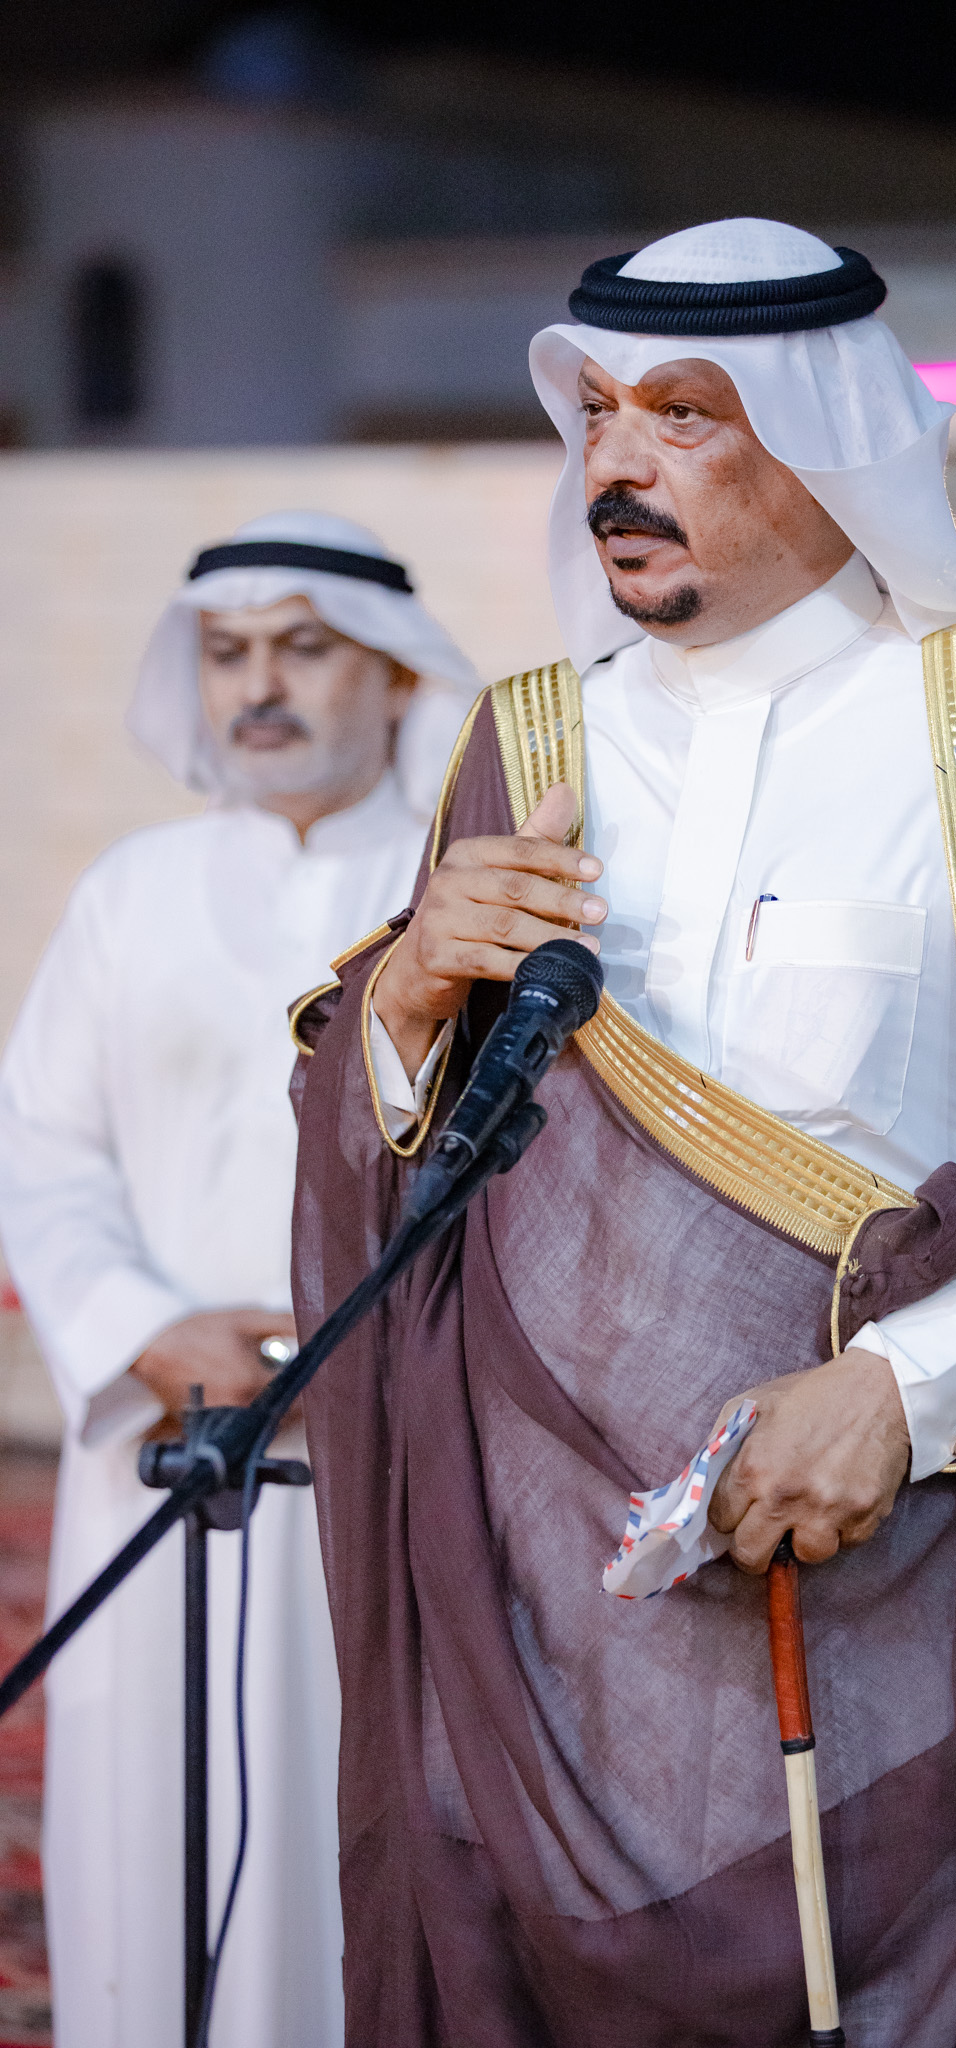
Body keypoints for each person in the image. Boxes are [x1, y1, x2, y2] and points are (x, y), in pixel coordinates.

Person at [290, 224, 956, 2045]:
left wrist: (906, 1387)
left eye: (682, 416)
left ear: (820, 439)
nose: (616, 463)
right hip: (554, 1647)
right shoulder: (529, 749)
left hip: (937, 1613)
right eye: (595, 413)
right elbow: (424, 1184)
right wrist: (396, 1012)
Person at [0, 511, 479, 2048]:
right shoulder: (131, 890)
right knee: (149, 1820)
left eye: (302, 648)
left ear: (394, 674)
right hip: (169, 1440)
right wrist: (148, 1333)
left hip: (391, 1445)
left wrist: (367, 1349)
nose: (259, 687)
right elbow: (39, 1150)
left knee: (368, 1823)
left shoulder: (461, 896)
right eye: (227, 654)